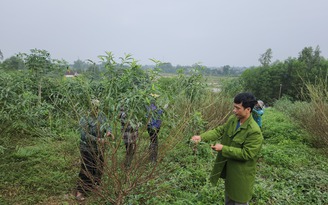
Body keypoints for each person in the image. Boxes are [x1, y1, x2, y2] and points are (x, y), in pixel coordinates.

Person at [191, 93, 263, 205]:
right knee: (229, 198)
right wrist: (201, 137)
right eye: (234, 107)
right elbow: (220, 130)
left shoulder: (254, 131)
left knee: (240, 199)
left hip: (241, 174)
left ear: (248, 109)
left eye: (237, 108)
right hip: (230, 170)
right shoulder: (233, 120)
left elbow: (247, 154)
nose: (234, 110)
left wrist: (223, 149)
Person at [76, 99, 111, 201]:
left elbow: (107, 124)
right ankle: (80, 191)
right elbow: (84, 135)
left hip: (99, 149)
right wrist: (98, 140)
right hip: (87, 148)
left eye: (97, 108)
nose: (95, 110)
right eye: (93, 108)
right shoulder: (84, 118)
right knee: (87, 168)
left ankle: (95, 187)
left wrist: (109, 131)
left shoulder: (101, 115)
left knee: (99, 167)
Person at [147, 94, 163, 163]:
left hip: (149, 127)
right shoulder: (157, 107)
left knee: (152, 140)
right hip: (155, 127)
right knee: (154, 141)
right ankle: (153, 158)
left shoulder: (148, 106)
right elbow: (160, 114)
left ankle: (151, 155)